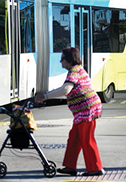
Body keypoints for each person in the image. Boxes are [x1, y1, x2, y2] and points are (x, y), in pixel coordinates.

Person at [35, 47, 104, 176]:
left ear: (69, 60)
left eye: (62, 59)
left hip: (87, 110)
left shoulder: (74, 72)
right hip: (82, 111)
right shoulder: (76, 70)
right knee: (74, 138)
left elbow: (65, 90)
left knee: (87, 139)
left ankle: (95, 168)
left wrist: (45, 96)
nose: (61, 62)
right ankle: (70, 166)